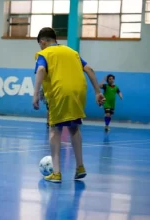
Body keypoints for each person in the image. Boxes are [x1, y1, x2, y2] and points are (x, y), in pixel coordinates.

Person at [32, 27, 105, 183]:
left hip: (60, 92)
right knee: (74, 127)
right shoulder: (72, 52)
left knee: (54, 129)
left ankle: (57, 173)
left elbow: (41, 69)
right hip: (79, 92)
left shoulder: (44, 54)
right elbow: (89, 69)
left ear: (43, 42)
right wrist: (98, 92)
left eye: (40, 44)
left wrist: (36, 93)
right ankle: (80, 167)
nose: (40, 47)